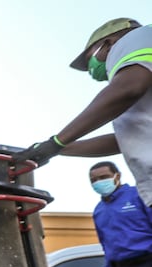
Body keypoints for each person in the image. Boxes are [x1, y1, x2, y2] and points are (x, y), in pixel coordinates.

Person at [12, 18, 152, 206]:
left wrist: (58, 141)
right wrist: (57, 149)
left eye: (89, 59)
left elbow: (128, 89)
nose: (91, 70)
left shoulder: (135, 38)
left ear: (109, 43)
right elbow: (125, 141)